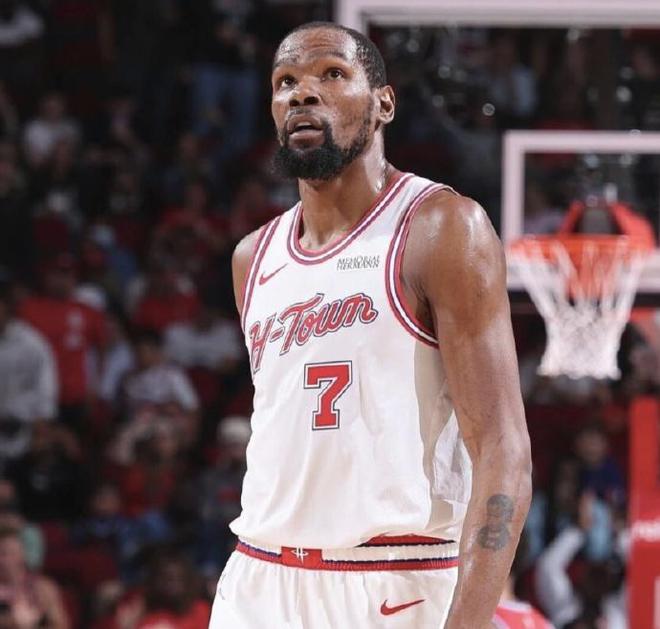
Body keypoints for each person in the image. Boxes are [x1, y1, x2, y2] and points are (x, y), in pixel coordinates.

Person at [209, 21, 532, 629]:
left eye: (332, 74)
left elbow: (502, 447)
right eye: (285, 82)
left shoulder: (440, 228)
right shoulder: (253, 256)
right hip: (258, 577)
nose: (302, 93)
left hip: (395, 579)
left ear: (384, 103)